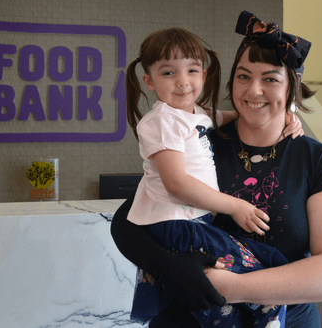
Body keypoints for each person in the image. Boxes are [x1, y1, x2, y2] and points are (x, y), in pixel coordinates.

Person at [112, 11, 322, 328]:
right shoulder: (199, 139)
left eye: (270, 79)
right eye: (243, 76)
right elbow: (126, 222)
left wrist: (228, 287)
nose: (253, 90)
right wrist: (168, 265)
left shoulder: (316, 159)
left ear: (291, 89)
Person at [123, 27, 305, 328]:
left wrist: (286, 114)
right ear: (149, 82)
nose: (183, 82)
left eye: (191, 70)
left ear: (203, 76)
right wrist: (234, 206)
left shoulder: (197, 115)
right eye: (168, 73)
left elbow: (239, 115)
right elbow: (177, 183)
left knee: (253, 276)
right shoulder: (162, 121)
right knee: (237, 292)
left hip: (191, 223)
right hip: (179, 225)